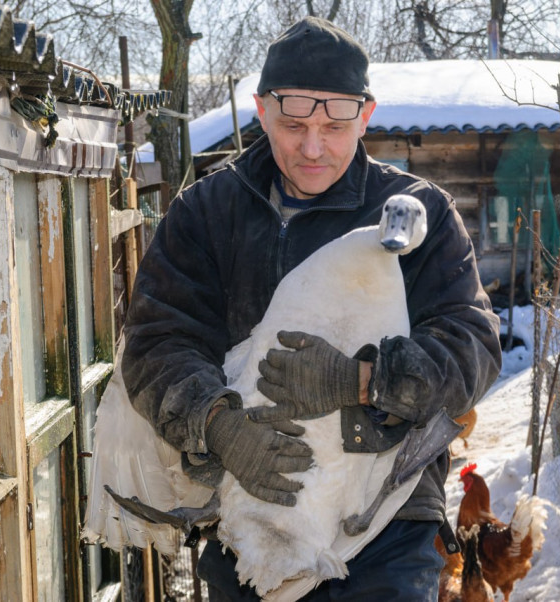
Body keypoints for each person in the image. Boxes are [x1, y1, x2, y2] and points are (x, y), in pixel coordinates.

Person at [121, 15, 502, 601]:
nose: (313, 146)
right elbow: (156, 343)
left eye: (334, 125)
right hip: (254, 517)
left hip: (387, 521)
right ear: (262, 110)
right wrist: (219, 427)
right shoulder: (206, 213)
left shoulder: (418, 213)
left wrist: (363, 380)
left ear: (365, 115)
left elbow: (472, 346)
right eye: (293, 124)